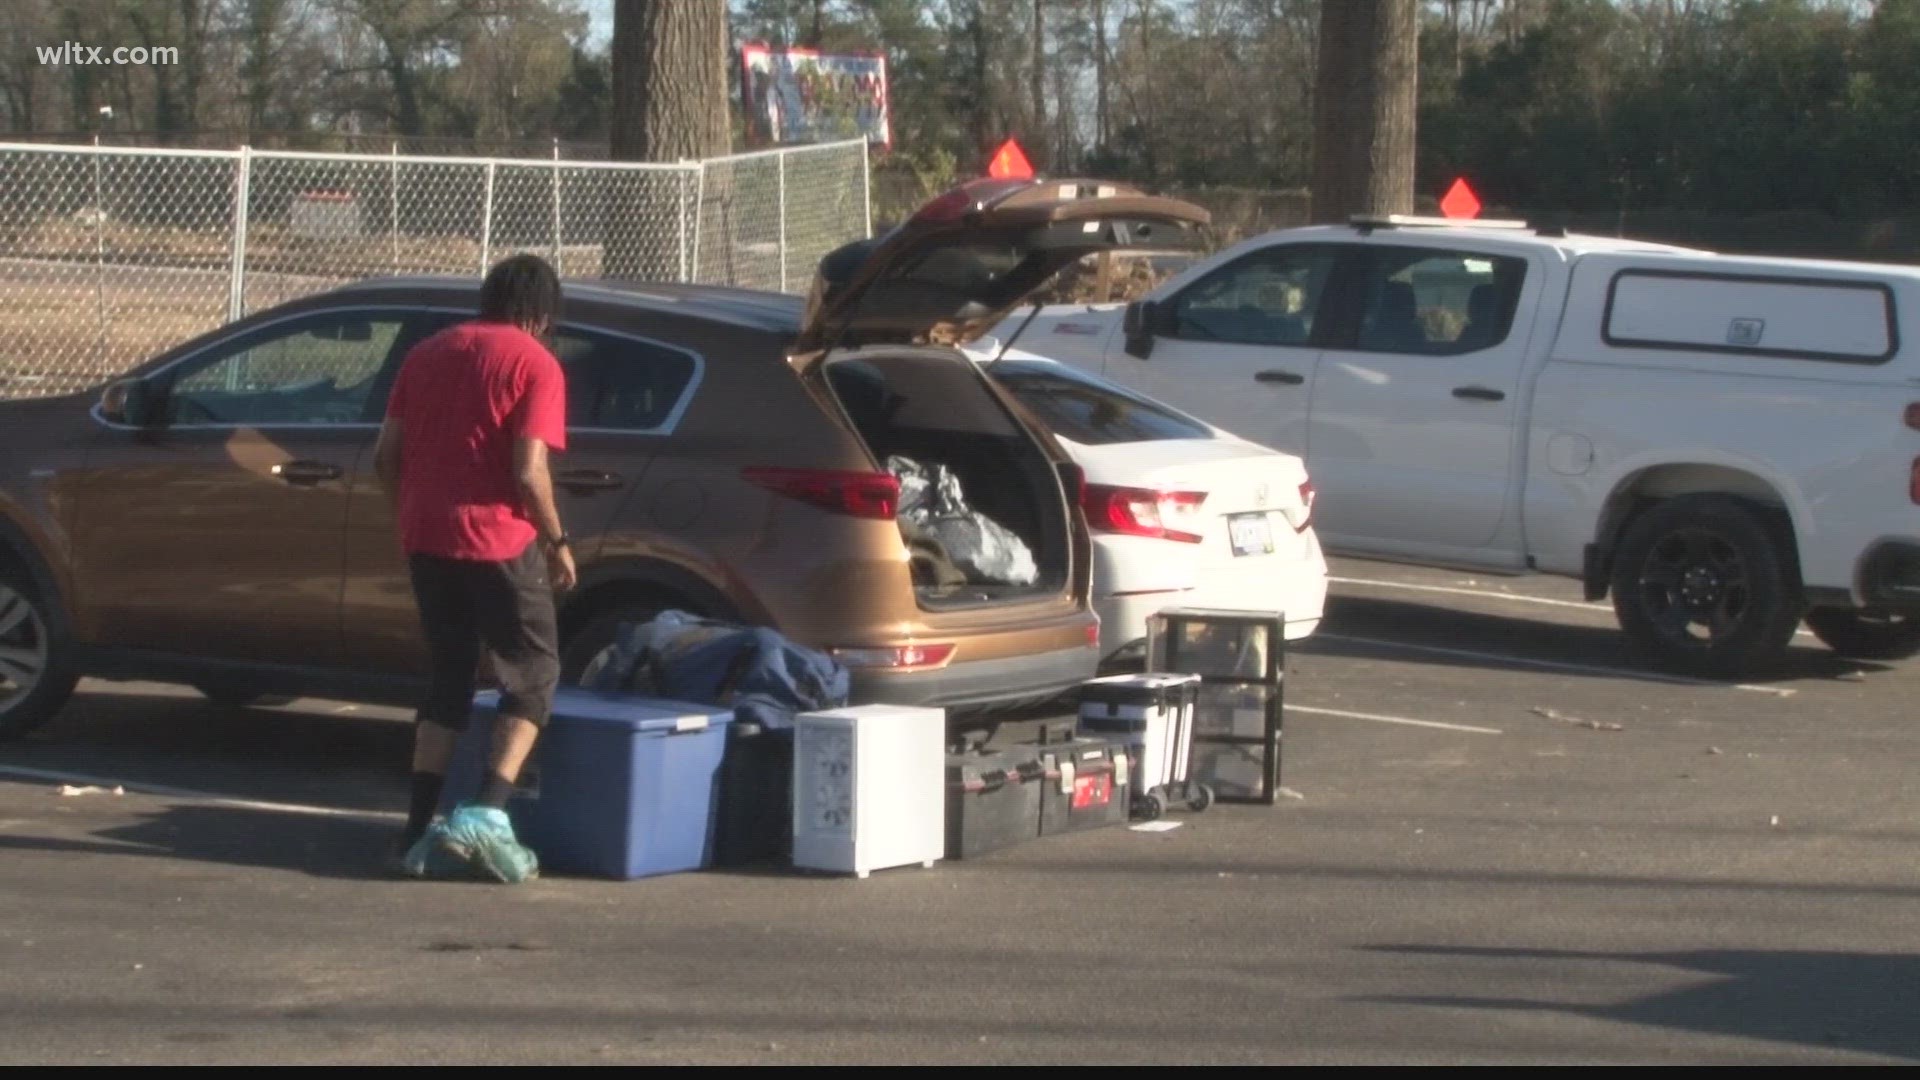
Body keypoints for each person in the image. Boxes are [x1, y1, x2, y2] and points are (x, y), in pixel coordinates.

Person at [372, 254, 578, 883]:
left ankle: (415, 833)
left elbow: (387, 455)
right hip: (498, 541)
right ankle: (487, 811)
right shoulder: (534, 363)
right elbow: (527, 469)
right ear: (541, 316)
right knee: (534, 671)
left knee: (448, 677)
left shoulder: (428, 353)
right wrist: (557, 539)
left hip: (425, 536)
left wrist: (413, 509)